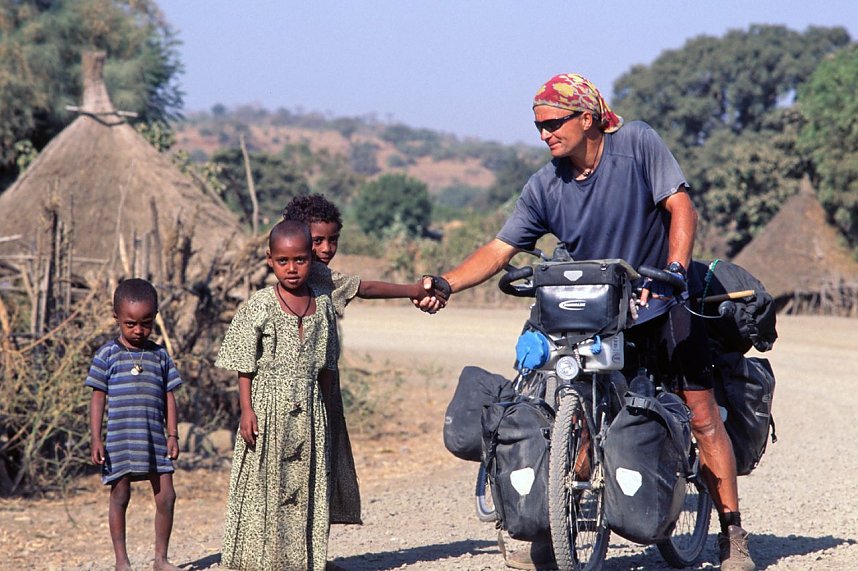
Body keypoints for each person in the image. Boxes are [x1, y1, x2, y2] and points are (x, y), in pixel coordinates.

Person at [418, 73, 755, 571]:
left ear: (588, 117)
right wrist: (445, 283)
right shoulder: (545, 185)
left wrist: (675, 271)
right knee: (573, 410)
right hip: (593, 315)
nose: (545, 134)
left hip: (660, 304)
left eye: (554, 123)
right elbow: (499, 248)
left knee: (702, 416)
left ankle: (732, 532)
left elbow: (681, 205)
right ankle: (561, 520)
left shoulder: (637, 144)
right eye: (538, 126)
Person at [282, 193, 447, 525]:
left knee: (318, 470)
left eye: (333, 240)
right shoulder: (304, 278)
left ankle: (311, 556)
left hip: (322, 390)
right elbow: (366, 288)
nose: (327, 249)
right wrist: (415, 290)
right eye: (318, 241)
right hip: (292, 395)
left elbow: (363, 287)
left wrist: (416, 290)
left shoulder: (318, 276)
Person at [215, 219, 341, 570]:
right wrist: (246, 410)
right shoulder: (260, 305)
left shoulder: (323, 307)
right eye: (283, 261)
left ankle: (300, 560)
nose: (292, 268)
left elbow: (327, 365)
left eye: (300, 260)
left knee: (304, 487)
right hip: (267, 409)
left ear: (311, 260)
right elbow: (244, 364)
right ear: (270, 260)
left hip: (309, 410)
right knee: (264, 486)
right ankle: (261, 559)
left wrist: (325, 415)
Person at [87, 278, 183, 571]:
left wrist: (173, 434)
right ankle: (121, 561)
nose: (138, 330)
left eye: (146, 323)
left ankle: (160, 559)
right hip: (120, 440)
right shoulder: (107, 356)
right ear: (116, 317)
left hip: (154, 437)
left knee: (167, 495)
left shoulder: (159, 355)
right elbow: (97, 398)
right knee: (120, 495)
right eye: (130, 324)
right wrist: (96, 438)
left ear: (154, 318)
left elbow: (170, 396)